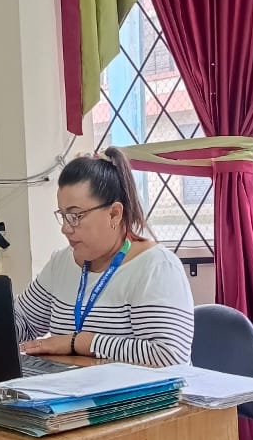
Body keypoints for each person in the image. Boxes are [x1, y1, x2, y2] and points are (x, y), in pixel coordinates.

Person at [15, 147, 194, 366]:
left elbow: (168, 355)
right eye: (63, 215)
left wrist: (80, 342)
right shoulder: (61, 263)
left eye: (75, 216)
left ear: (114, 214)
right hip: (70, 386)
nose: (65, 228)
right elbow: (23, 322)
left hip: (135, 390)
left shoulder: (155, 267)